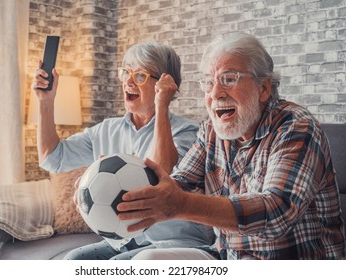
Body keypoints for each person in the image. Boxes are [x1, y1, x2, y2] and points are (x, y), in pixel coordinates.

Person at [118, 32, 346, 260]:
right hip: (229, 258)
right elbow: (179, 183)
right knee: (146, 262)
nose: (215, 93)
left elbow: (276, 212)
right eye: (209, 82)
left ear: (264, 88)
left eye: (229, 79)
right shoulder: (211, 129)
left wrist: (181, 204)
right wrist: (112, 190)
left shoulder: (297, 127)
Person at [32, 41, 214, 260]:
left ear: (164, 85)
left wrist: (161, 107)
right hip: (122, 243)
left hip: (171, 244)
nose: (128, 81)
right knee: (73, 260)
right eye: (125, 72)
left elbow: (160, 176)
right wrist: (45, 101)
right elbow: (52, 158)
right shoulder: (106, 130)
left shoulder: (188, 132)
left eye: (140, 76)